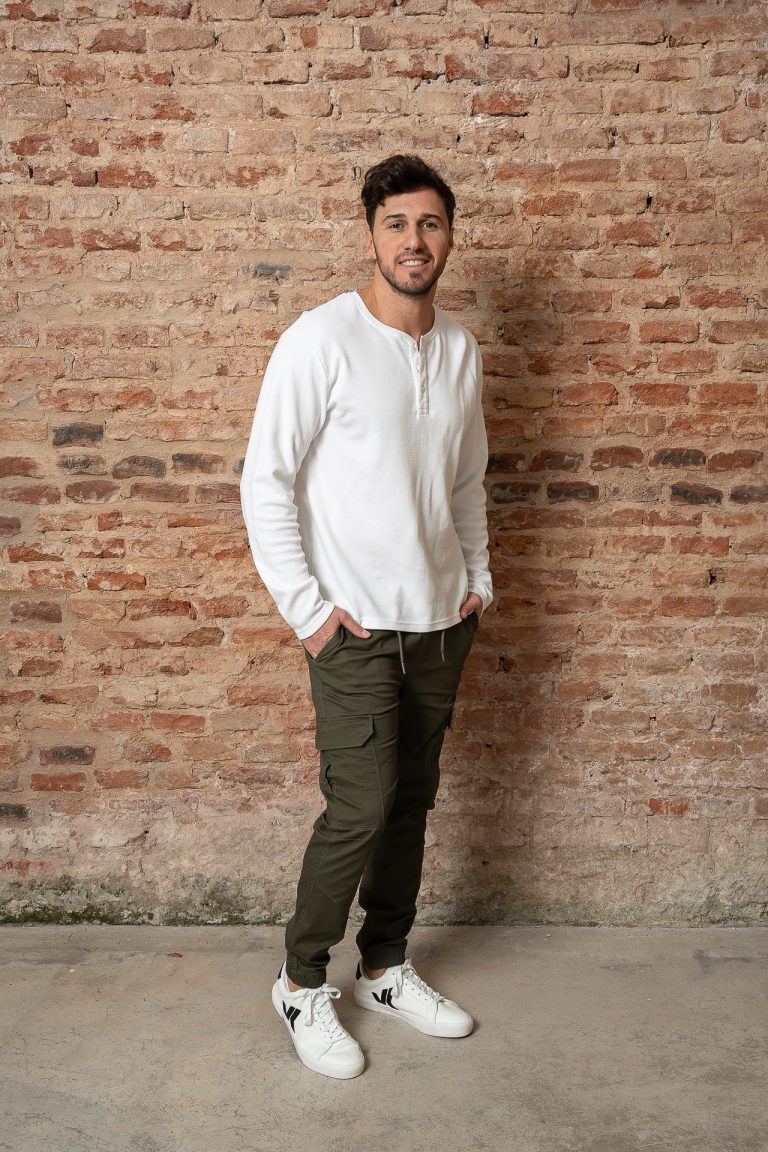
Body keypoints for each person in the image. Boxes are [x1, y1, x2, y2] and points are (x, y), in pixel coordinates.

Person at [239, 154, 493, 1079]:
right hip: (352, 629)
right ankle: (301, 982)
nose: (413, 241)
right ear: (371, 234)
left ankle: (384, 967)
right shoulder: (321, 340)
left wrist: (478, 579)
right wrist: (308, 614)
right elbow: (265, 481)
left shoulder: (459, 348)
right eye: (396, 224)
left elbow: (465, 481)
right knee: (360, 806)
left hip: (440, 622)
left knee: (411, 802)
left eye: (429, 223)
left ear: (448, 236)